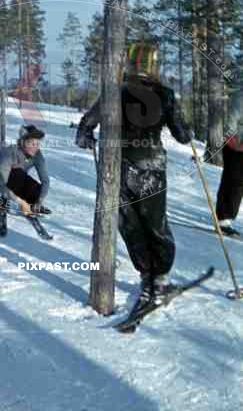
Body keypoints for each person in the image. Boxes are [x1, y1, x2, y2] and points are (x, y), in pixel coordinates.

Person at [75, 43, 192, 308]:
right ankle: (159, 278)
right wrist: (186, 128)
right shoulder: (164, 94)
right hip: (151, 167)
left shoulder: (115, 91)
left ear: (129, 64)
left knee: (130, 225)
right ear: (153, 66)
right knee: (155, 224)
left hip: (118, 168)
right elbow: (183, 136)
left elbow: (85, 127)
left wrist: (87, 137)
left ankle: (146, 274)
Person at [0, 124, 50, 219]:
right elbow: (0, 184)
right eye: (32, 144)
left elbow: (45, 181)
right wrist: (21, 202)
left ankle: (29, 205)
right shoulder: (10, 151)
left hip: (15, 179)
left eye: (37, 144)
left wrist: (39, 201)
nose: (35, 147)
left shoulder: (37, 155)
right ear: (23, 142)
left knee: (37, 191)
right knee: (17, 172)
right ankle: (3, 200)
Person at [215, 85, 243, 237]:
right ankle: (224, 219)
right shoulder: (241, 97)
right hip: (235, 146)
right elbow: (231, 122)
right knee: (233, 182)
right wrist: (235, 144)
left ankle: (225, 217)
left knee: (237, 183)